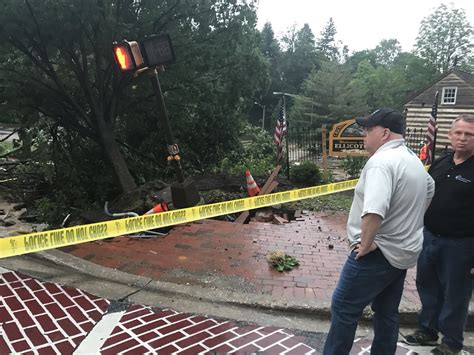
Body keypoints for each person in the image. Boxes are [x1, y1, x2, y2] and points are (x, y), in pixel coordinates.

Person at [323, 108, 435, 355]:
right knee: (386, 311)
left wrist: (364, 244)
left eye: (368, 130)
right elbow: (430, 187)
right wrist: (409, 221)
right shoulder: (412, 159)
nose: (364, 135)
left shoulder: (381, 163)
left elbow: (374, 211)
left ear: (384, 133)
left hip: (376, 254)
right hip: (402, 252)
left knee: (343, 307)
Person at [403, 114, 474, 355]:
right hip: (430, 238)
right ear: (450, 135)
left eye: (469, 134)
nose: (462, 138)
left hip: (462, 245)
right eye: (459, 133)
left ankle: (451, 343)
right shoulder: (441, 162)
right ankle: (427, 331)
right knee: (427, 287)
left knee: (455, 294)